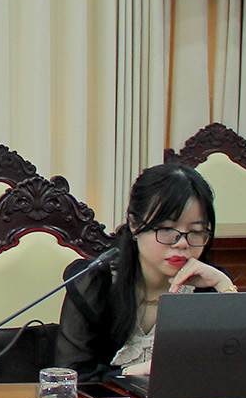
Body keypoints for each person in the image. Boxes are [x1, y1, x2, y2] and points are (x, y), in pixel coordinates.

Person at [55, 163, 236, 381]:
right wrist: (128, 374)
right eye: (166, 229)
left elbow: (235, 370)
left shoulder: (210, 287)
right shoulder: (95, 283)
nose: (182, 243)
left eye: (196, 231)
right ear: (134, 224)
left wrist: (224, 285)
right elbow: (72, 377)